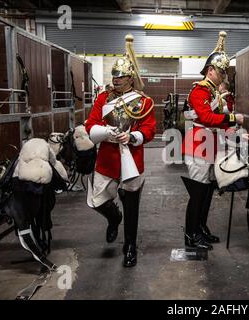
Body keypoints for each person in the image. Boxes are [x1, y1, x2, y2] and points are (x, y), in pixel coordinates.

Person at [85, 34, 156, 267]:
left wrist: (133, 136)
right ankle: (114, 219)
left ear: (130, 78)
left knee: (132, 207)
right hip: (107, 159)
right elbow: (90, 124)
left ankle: (130, 246)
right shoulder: (103, 98)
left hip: (132, 160)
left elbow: (149, 129)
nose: (116, 79)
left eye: (121, 76)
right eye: (114, 75)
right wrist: (107, 133)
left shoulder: (144, 102)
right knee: (97, 201)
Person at [182, 31, 246, 250]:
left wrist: (234, 130)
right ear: (210, 70)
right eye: (221, 72)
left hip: (211, 144)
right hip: (198, 145)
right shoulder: (199, 91)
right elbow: (208, 118)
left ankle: (201, 228)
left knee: (207, 191)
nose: (224, 76)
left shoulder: (213, 93)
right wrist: (232, 118)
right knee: (198, 192)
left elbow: (217, 122)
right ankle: (191, 234)